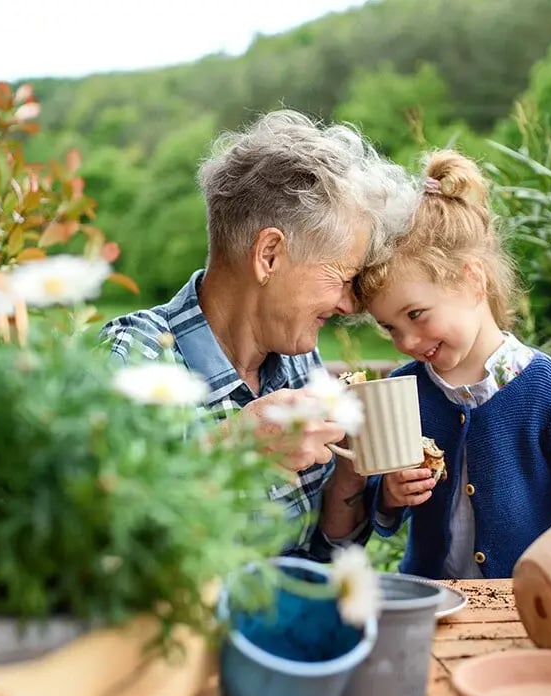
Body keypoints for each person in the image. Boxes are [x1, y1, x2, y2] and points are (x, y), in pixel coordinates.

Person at [102, 110, 418, 560]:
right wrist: (233, 450)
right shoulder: (135, 358)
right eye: (342, 277)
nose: (349, 305)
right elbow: (94, 534)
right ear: (269, 255)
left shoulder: (294, 360)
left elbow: (322, 553)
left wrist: (352, 470)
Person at [352, 149, 551, 579]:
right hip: (432, 597)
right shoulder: (406, 390)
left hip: (526, 601)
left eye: (415, 315)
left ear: (472, 279)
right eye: (390, 328)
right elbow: (381, 503)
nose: (406, 341)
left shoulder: (542, 386)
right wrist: (390, 494)